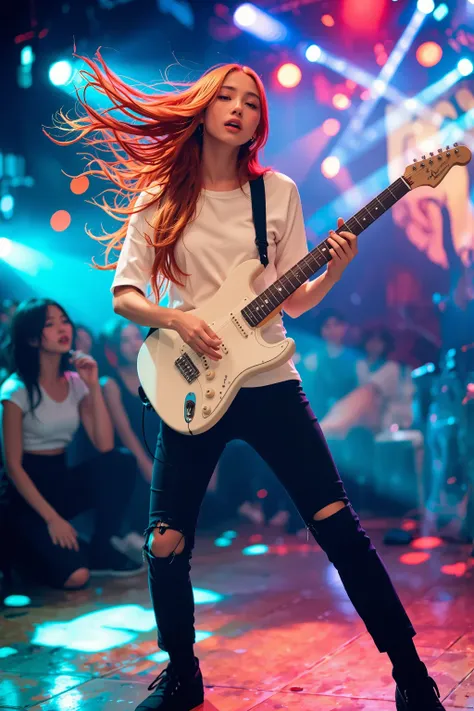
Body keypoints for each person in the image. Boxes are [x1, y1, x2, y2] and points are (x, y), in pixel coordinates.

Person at [48, 54, 445, 710]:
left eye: (251, 102)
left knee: (338, 525)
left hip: (265, 377)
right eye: (227, 97)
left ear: (259, 122)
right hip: (190, 381)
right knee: (165, 539)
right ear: (203, 108)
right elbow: (124, 295)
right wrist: (178, 316)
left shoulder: (277, 194)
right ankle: (182, 673)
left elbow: (296, 301)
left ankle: (410, 671)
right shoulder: (163, 197)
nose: (239, 109)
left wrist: (335, 270)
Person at [0, 298, 144, 589]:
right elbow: (13, 467)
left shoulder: (76, 382)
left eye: (64, 321)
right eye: (49, 324)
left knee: (120, 461)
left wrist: (92, 386)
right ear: (30, 337)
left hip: (59, 480)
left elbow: (104, 446)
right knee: (77, 577)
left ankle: (103, 546)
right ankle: (21, 550)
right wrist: (52, 519)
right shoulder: (15, 391)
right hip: (23, 495)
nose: (62, 329)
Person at [99, 317, 160, 550]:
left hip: (159, 448)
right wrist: (145, 464)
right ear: (115, 346)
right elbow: (124, 430)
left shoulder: (154, 372)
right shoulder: (110, 383)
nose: (134, 344)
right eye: (125, 340)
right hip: (133, 455)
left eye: (136, 337)